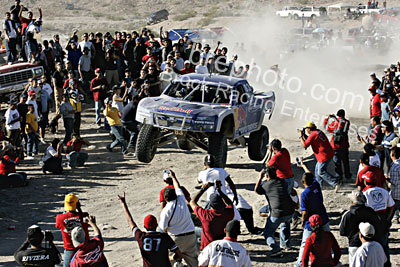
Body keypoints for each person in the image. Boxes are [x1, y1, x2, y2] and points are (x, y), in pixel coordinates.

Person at [118, 192, 183, 267]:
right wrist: (173, 258)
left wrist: (123, 203)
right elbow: (179, 254)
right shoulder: (164, 237)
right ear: (156, 225)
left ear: (145, 227)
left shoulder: (140, 236)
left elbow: (130, 221)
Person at [296, 158, 331, 267]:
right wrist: (303, 165)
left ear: (303, 182)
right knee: (328, 240)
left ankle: (300, 263)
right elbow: (309, 174)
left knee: (305, 243)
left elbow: (305, 212)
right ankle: (334, 259)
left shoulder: (304, 194)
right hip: (323, 217)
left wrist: (302, 222)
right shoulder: (316, 185)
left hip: (311, 222)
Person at [159, 170, 198, 267]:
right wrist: (174, 176)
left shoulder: (165, 210)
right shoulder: (181, 199)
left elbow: (162, 230)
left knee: (169, 262)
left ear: (165, 199)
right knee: (193, 262)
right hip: (190, 235)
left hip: (176, 239)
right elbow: (177, 186)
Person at [254, 167, 294, 257]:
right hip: (290, 211)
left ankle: (275, 250)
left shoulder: (266, 185)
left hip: (277, 213)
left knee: (268, 232)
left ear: (267, 176)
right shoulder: (283, 182)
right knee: (286, 223)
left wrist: (260, 177)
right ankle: (285, 245)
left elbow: (256, 190)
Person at [339, 190, 382, 264]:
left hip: (354, 244)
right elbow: (378, 226)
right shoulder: (371, 212)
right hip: (371, 244)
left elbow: (342, 232)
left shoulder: (347, 215)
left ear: (352, 201)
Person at [189, 180, 234, 250]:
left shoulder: (205, 215)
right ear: (223, 204)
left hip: (207, 247)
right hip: (222, 246)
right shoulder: (228, 212)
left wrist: (203, 189)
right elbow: (230, 203)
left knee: (193, 230)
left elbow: (192, 202)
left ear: (210, 205)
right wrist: (220, 191)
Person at [299, 121, 340, 192]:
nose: (306, 130)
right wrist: (304, 135)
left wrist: (300, 136)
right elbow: (310, 139)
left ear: (309, 129)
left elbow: (304, 145)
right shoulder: (317, 132)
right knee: (317, 171)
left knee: (321, 171)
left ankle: (336, 183)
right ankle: (319, 186)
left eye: (306, 129)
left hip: (324, 156)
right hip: (327, 154)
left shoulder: (313, 135)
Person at [56, 193, 90, 267]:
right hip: (84, 249)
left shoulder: (60, 218)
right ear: (77, 204)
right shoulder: (84, 216)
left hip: (69, 249)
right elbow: (86, 221)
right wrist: (79, 209)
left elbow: (58, 225)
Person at [323, 109, 351, 182]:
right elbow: (341, 124)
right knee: (346, 162)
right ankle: (348, 176)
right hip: (344, 145)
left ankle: (339, 177)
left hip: (335, 146)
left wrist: (327, 118)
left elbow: (326, 128)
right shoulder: (347, 122)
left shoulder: (335, 123)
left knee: (337, 163)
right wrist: (335, 118)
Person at [388, 147, 400, 223]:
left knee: (390, 213)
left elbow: (395, 182)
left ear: (392, 154)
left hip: (396, 194)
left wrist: (387, 179)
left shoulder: (394, 167)